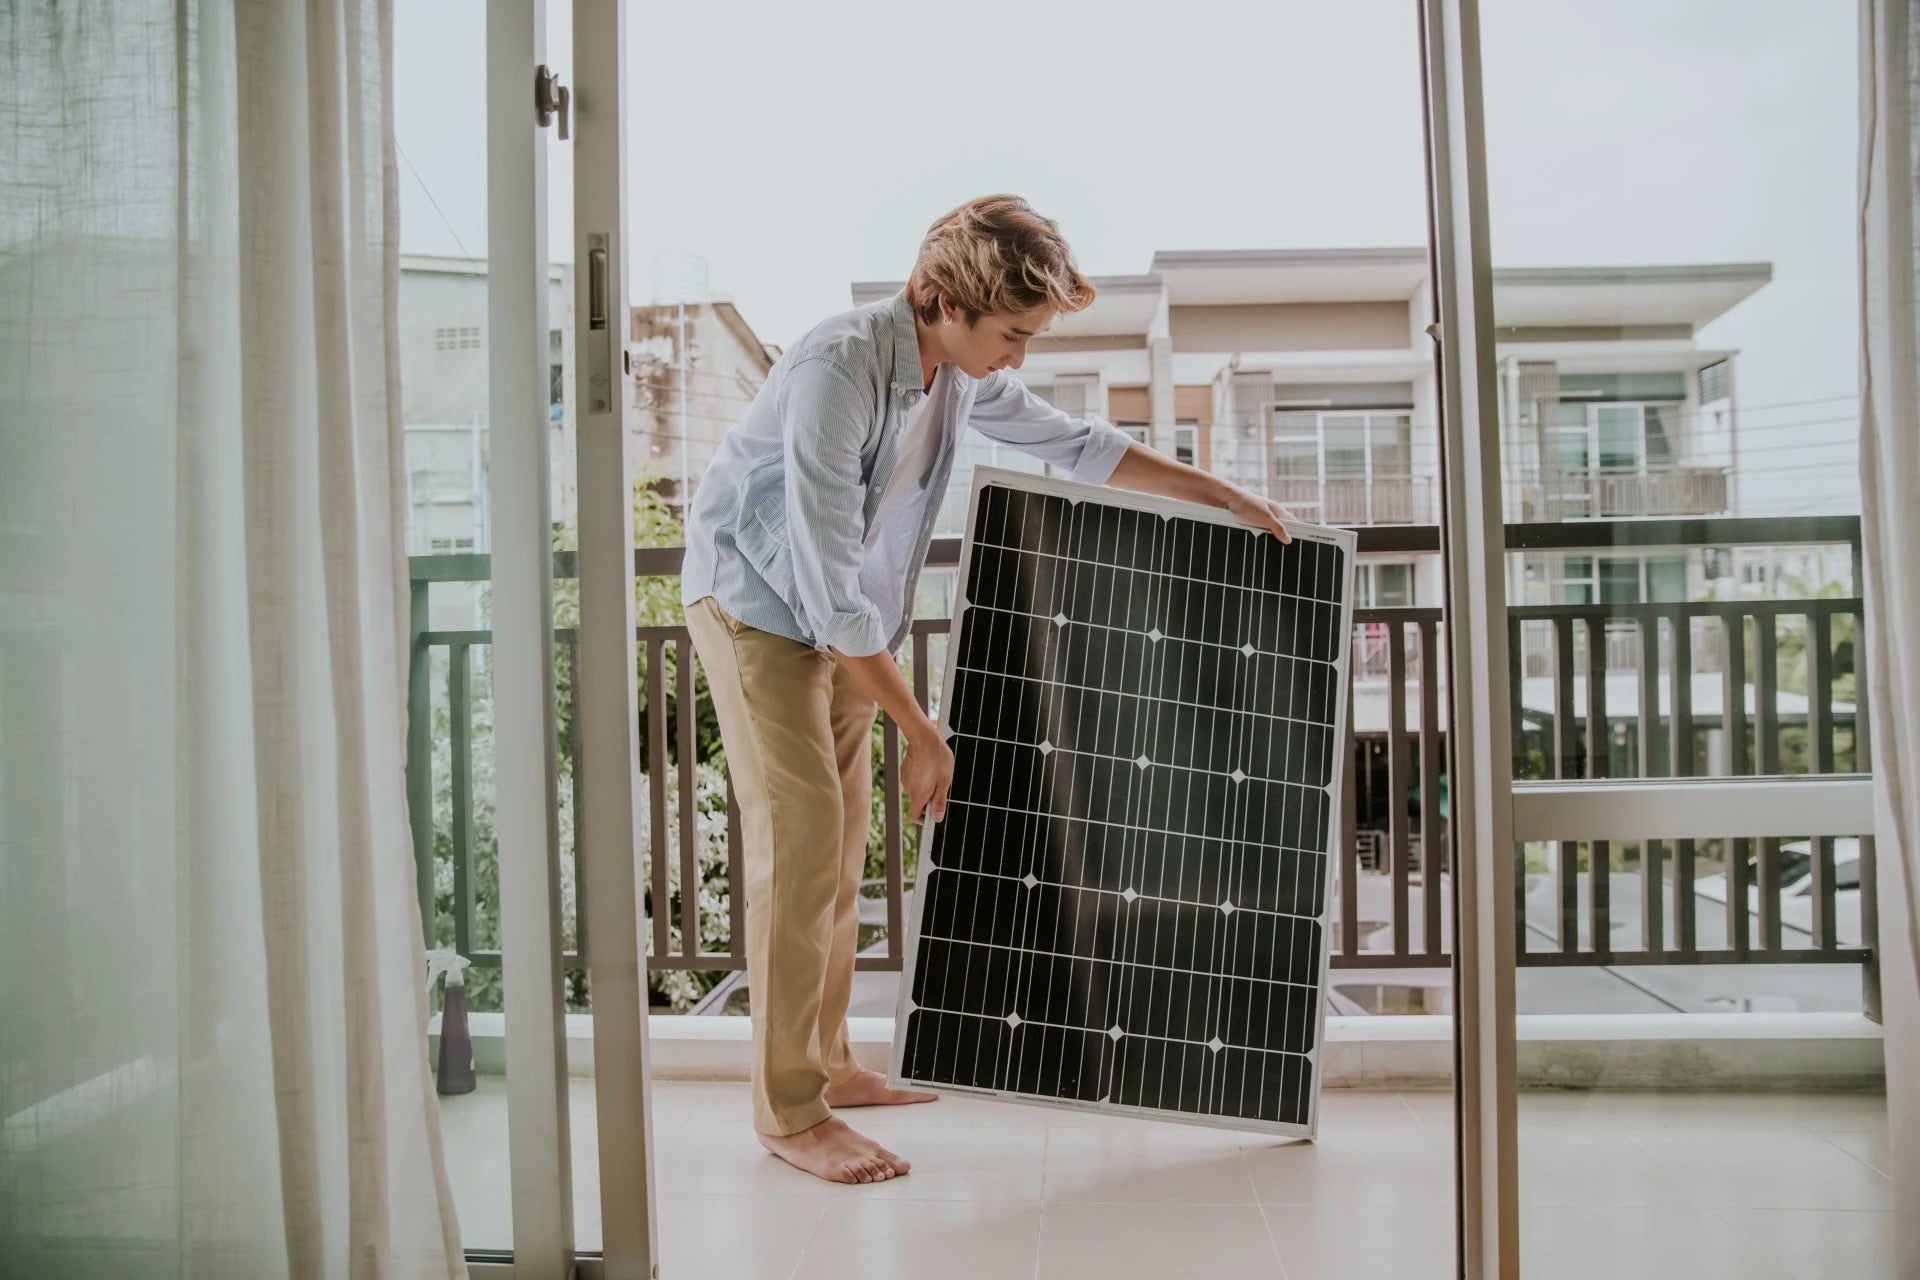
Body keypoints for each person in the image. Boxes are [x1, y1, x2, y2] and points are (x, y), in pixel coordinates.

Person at [680, 194, 1295, 1185]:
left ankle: (830, 1064)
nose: (1017, 355)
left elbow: (1078, 444)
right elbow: (828, 589)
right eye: (1011, 333)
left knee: (836, 851)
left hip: (836, 619)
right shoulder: (838, 370)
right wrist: (924, 729)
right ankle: (789, 1110)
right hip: (755, 603)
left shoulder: (955, 376)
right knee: (797, 845)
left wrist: (1220, 491)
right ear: (938, 297)